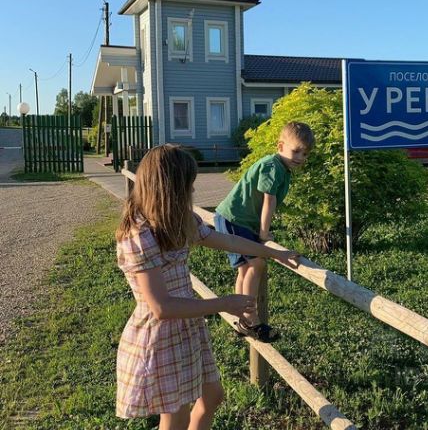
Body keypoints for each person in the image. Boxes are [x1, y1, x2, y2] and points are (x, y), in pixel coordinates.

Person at [115, 144, 299, 429]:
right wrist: (225, 303)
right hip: (160, 335)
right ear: (169, 189)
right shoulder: (140, 236)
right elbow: (161, 307)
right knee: (175, 416)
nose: (192, 190)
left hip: (187, 325)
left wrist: (272, 253)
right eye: (188, 184)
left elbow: (227, 240)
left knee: (212, 396)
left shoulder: (178, 220)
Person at [214, 121, 314, 343]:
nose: (300, 157)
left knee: (244, 270)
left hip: (234, 218)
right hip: (235, 219)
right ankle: (252, 319)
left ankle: (242, 317)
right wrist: (263, 234)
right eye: (296, 151)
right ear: (280, 146)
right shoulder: (273, 166)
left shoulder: (282, 168)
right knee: (257, 263)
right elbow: (269, 201)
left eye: (305, 154)